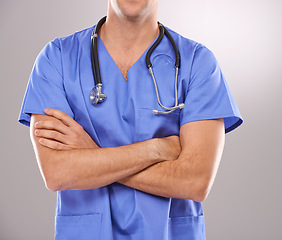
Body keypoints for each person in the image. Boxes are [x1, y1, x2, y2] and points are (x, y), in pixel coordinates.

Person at [18, 0, 243, 239]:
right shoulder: (57, 59)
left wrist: (92, 154)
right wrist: (156, 149)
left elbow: (195, 182)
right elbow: (56, 172)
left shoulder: (198, 62)